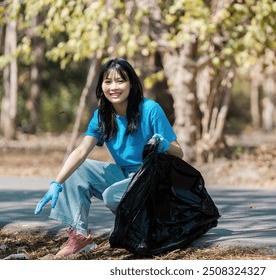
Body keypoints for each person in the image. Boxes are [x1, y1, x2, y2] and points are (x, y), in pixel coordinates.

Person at [34, 58, 184, 258]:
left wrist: (163, 145)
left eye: (120, 81)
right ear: (101, 85)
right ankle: (79, 236)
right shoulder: (102, 116)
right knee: (77, 168)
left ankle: (148, 228)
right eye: (108, 81)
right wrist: (57, 182)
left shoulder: (150, 109)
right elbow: (80, 152)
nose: (114, 87)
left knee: (112, 195)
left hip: (153, 179)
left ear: (131, 83)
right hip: (126, 176)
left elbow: (179, 152)